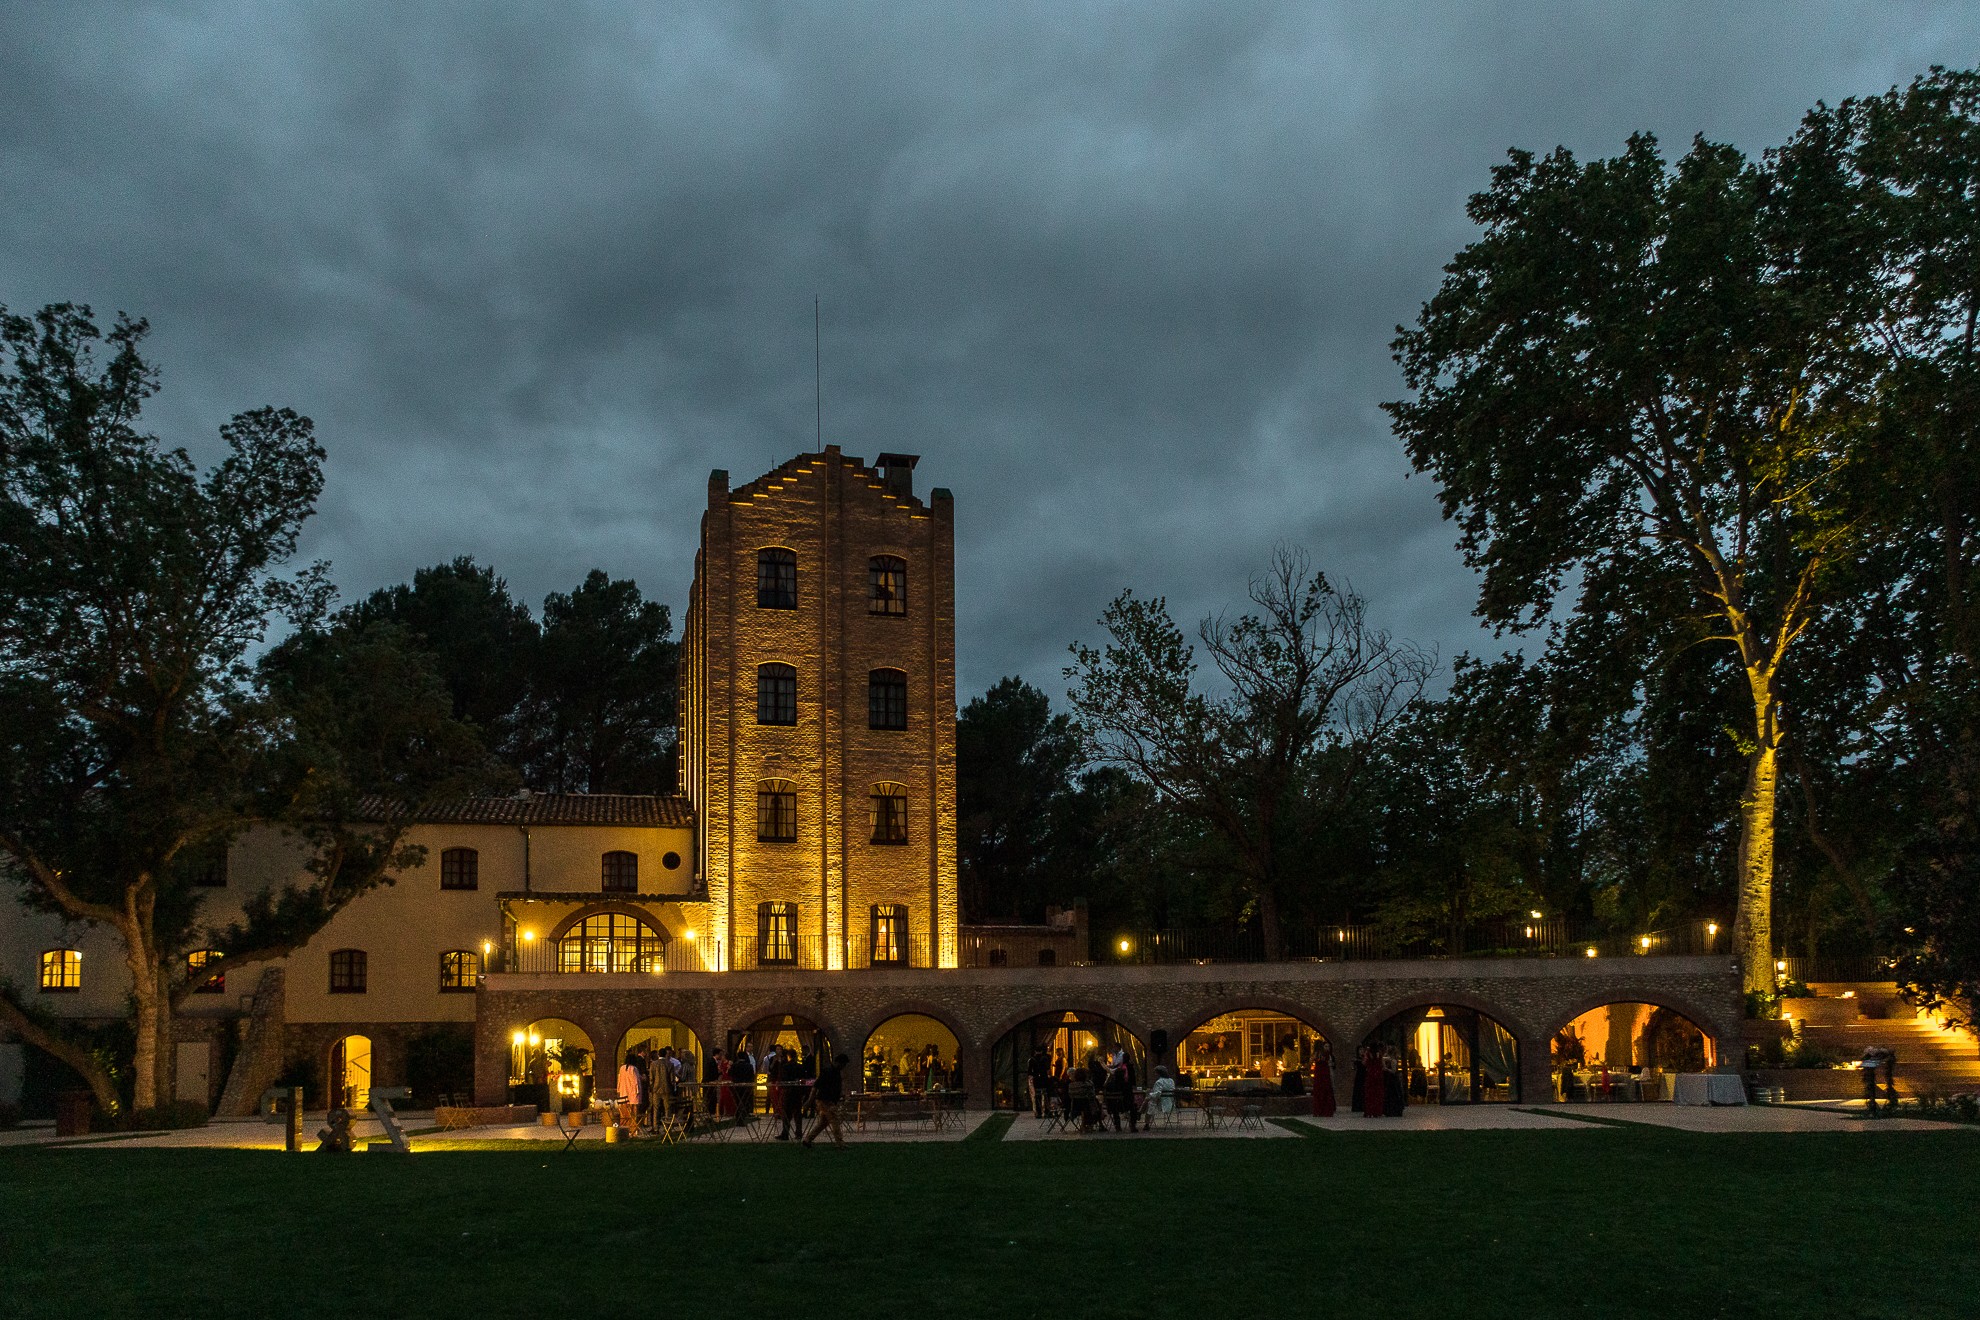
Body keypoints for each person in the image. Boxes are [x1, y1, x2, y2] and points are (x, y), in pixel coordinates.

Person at [803, 1052, 850, 1148]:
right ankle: (840, 1143)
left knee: (823, 1123)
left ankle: (808, 1139)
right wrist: (809, 1101)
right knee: (835, 1119)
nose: (844, 1067)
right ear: (838, 1062)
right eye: (843, 1064)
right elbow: (816, 1086)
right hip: (825, 1100)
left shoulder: (836, 1072)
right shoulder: (827, 1071)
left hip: (828, 1100)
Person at [1104, 1046, 1139, 1132]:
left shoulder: (1119, 1072)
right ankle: (1132, 1124)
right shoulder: (1129, 1070)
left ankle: (1118, 1125)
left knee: (1115, 1108)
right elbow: (1133, 1081)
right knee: (1133, 1106)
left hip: (1117, 1102)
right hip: (1127, 1099)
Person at [616, 1052, 645, 1136]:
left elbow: (619, 1080)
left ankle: (624, 1129)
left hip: (623, 1093)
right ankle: (633, 1130)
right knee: (634, 1113)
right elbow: (635, 1081)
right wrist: (637, 1092)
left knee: (624, 1113)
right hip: (633, 1094)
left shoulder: (622, 1068)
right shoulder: (633, 1068)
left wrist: (619, 1090)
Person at [1311, 1039, 1336, 1118]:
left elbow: (1312, 1060)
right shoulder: (1326, 1054)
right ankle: (1326, 1110)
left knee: (1319, 1091)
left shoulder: (1317, 1053)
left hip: (1319, 1073)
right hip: (1325, 1072)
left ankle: (1319, 1110)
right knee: (1326, 1091)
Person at [1027, 1044, 1051, 1118]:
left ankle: (1039, 1112)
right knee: (1046, 1095)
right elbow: (1048, 1068)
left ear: (1035, 1051)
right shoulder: (1045, 1058)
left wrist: (1033, 1076)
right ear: (1042, 1051)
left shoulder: (1032, 1060)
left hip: (1036, 1079)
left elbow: (1029, 1071)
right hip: (1044, 1078)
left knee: (1037, 1096)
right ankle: (1047, 1111)